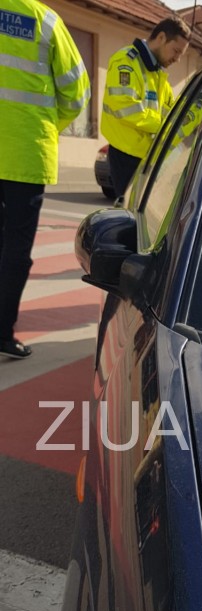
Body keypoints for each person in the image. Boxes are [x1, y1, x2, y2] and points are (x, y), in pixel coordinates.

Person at [0, 0, 90, 359]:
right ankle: (2, 331)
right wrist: (48, 127)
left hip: (24, 155)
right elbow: (77, 93)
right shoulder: (46, 21)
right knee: (15, 251)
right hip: (25, 155)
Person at [101, 17, 190, 199]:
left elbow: (171, 113)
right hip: (127, 156)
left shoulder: (157, 74)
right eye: (176, 51)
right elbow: (125, 107)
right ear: (161, 38)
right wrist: (163, 126)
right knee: (131, 210)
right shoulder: (126, 61)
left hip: (147, 156)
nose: (178, 59)